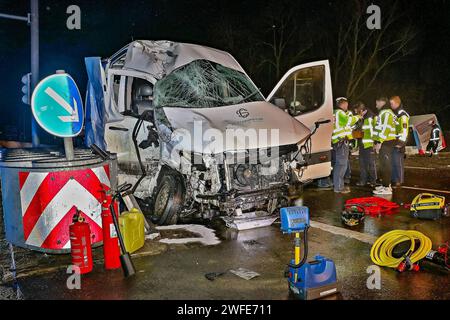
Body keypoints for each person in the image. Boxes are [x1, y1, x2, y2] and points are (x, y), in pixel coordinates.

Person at [332, 97, 363, 193]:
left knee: (341, 164)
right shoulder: (339, 113)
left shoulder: (337, 113)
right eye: (346, 105)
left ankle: (338, 185)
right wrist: (358, 116)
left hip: (340, 141)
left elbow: (347, 126)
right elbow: (348, 121)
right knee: (341, 165)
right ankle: (338, 187)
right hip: (341, 142)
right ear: (343, 104)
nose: (347, 107)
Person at [373, 97, 397, 195]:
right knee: (383, 165)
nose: (375, 105)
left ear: (381, 102)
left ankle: (387, 187)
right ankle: (384, 185)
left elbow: (385, 129)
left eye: (376, 103)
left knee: (386, 165)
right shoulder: (385, 112)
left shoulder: (386, 113)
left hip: (386, 142)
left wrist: (379, 142)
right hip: (385, 142)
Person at [354, 102, 377, 187]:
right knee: (362, 163)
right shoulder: (362, 117)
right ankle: (363, 180)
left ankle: (373, 181)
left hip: (369, 145)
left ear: (361, 110)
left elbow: (374, 131)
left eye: (357, 111)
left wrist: (375, 142)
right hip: (362, 144)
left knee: (370, 163)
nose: (356, 113)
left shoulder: (370, 117)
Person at [391, 96, 409, 187]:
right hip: (395, 142)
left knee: (398, 162)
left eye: (392, 104)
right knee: (394, 161)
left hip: (399, 143)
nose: (390, 105)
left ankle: (399, 180)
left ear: (397, 103)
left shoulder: (402, 115)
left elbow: (404, 131)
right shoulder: (396, 114)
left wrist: (401, 144)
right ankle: (394, 179)